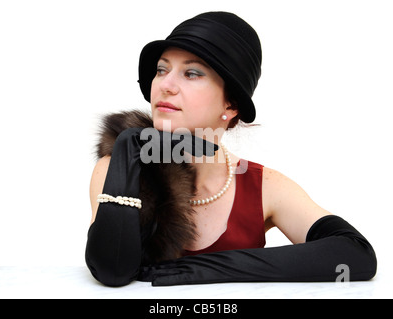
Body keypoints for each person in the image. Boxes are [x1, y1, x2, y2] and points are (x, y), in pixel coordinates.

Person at [85, 11, 377, 287]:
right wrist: (128, 150)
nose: (166, 85)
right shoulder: (118, 165)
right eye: (162, 70)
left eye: (192, 73)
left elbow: (355, 255)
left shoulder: (264, 186)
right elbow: (112, 269)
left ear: (231, 104)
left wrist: (207, 268)